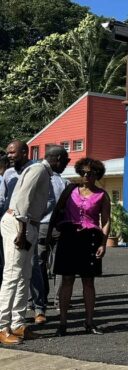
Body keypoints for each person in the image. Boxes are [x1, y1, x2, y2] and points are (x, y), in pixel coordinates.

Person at [0, 146, 69, 345]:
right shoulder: (38, 170)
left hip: (28, 225)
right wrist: (21, 231)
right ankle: (2, 327)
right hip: (19, 224)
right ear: (56, 158)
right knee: (12, 276)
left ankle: (18, 325)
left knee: (25, 276)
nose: (66, 163)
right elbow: (23, 198)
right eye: (65, 159)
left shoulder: (44, 172)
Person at [51, 158, 111, 336]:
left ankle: (89, 322)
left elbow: (106, 220)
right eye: (83, 172)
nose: (86, 176)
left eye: (91, 173)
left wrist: (103, 243)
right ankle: (62, 323)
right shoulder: (70, 191)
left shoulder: (102, 195)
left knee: (88, 281)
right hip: (68, 236)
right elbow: (57, 211)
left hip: (90, 238)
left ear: (97, 175)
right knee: (66, 279)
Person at [30, 169, 68, 325]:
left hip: (41, 225)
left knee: (39, 264)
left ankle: (40, 300)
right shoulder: (65, 182)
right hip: (60, 225)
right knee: (59, 265)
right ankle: (59, 300)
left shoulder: (40, 180)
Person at [0, 141, 34, 287]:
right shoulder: (8, 173)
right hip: (8, 223)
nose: (9, 156)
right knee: (8, 264)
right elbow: (3, 198)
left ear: (25, 152)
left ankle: (38, 303)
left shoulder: (36, 170)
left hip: (30, 224)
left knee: (30, 266)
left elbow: (47, 198)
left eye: (12, 152)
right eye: (8, 153)